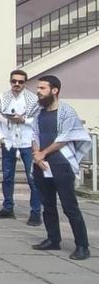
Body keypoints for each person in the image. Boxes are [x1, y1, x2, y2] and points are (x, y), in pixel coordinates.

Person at [30, 75, 91, 260]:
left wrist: (43, 153)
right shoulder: (38, 111)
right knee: (47, 204)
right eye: (38, 88)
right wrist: (37, 155)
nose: (38, 92)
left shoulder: (66, 111)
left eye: (42, 88)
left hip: (60, 163)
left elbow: (64, 138)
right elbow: (33, 134)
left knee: (69, 206)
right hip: (42, 163)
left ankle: (82, 246)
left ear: (54, 90)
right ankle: (53, 239)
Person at [0, 69, 42, 225]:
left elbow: (38, 119)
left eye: (20, 82)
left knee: (33, 178)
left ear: (25, 83)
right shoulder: (3, 97)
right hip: (9, 142)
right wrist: (4, 130)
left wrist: (23, 120)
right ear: (10, 82)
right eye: (14, 81)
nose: (17, 84)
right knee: (7, 177)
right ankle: (8, 207)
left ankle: (35, 212)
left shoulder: (33, 99)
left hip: (27, 143)